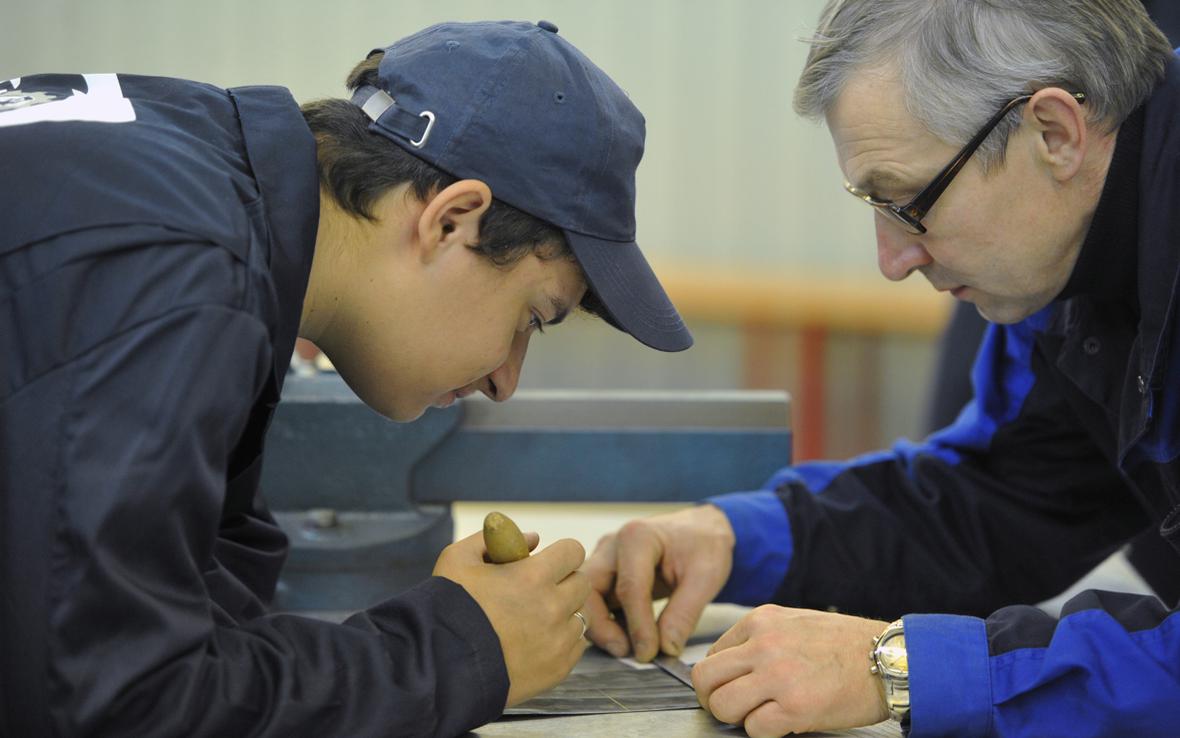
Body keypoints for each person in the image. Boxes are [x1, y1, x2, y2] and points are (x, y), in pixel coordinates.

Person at [0, 19, 691, 738]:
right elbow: (116, 706)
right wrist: (456, 652)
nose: (506, 381)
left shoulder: (181, 166)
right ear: (452, 220)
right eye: (532, 317)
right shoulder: (176, 273)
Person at [584, 1, 1180, 736]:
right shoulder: (1061, 272)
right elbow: (1004, 504)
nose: (891, 262)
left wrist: (898, 667)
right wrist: (741, 539)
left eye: (908, 203)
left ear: (1054, 133)